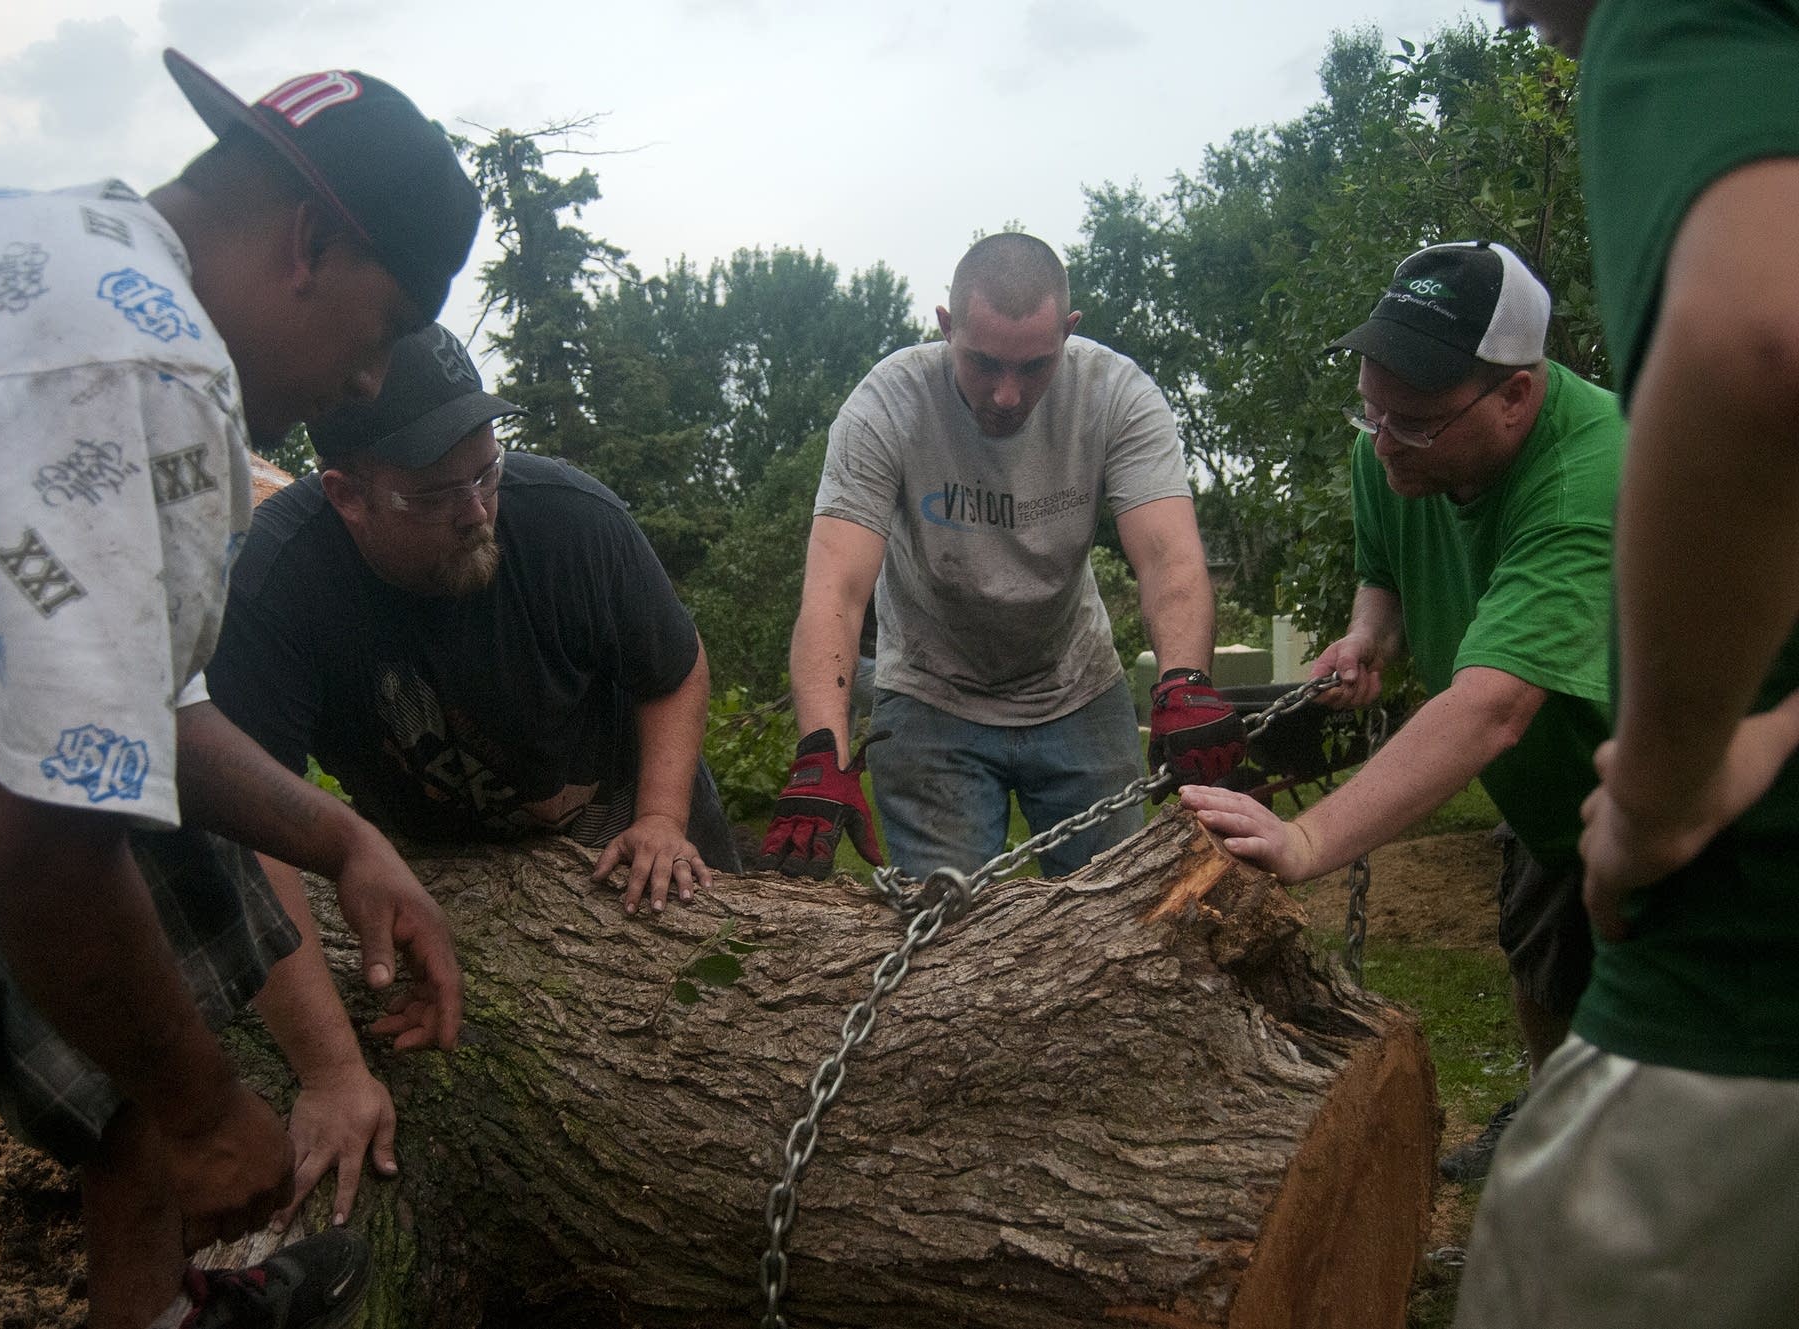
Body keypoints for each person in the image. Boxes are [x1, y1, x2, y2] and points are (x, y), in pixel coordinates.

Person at [0, 48, 477, 1329]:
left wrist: (340, 839)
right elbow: (43, 848)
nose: (371, 383)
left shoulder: (62, 251)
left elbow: (116, 713)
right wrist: (208, 1109)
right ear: (310, 243)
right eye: (384, 330)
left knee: (168, 866)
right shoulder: (148, 369)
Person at [1446, 2, 1799, 1323]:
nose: (1510, 14)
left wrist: (1663, 787)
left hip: (1741, 1007)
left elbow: (1762, 337)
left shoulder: (1676, 22)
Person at [1179, 240, 1623, 1181]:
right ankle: (1555, 1133)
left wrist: (1308, 841)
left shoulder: (1593, 478)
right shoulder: (1388, 448)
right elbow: (1384, 572)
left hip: (1681, 798)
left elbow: (1493, 706)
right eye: (1371, 409)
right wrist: (1366, 638)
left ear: (1515, 395)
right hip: (1549, 797)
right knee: (1546, 973)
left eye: (1412, 422)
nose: (1382, 443)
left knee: (1671, 1051)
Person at [206, 323, 741, 934]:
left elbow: (673, 669)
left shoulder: (572, 520)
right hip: (447, 863)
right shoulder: (273, 586)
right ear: (346, 496)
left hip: (628, 811)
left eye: (487, 473)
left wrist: (664, 818)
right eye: (433, 496)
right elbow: (253, 822)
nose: (476, 513)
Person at [758, 231, 1241, 883]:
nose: (1007, 394)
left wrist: (1183, 678)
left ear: (1068, 332)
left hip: (1078, 686)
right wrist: (821, 747)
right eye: (984, 363)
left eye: (1034, 365)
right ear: (946, 327)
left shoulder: (1116, 394)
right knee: (946, 938)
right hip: (931, 697)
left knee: (1114, 923)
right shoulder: (886, 407)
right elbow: (835, 592)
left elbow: (1169, 559)